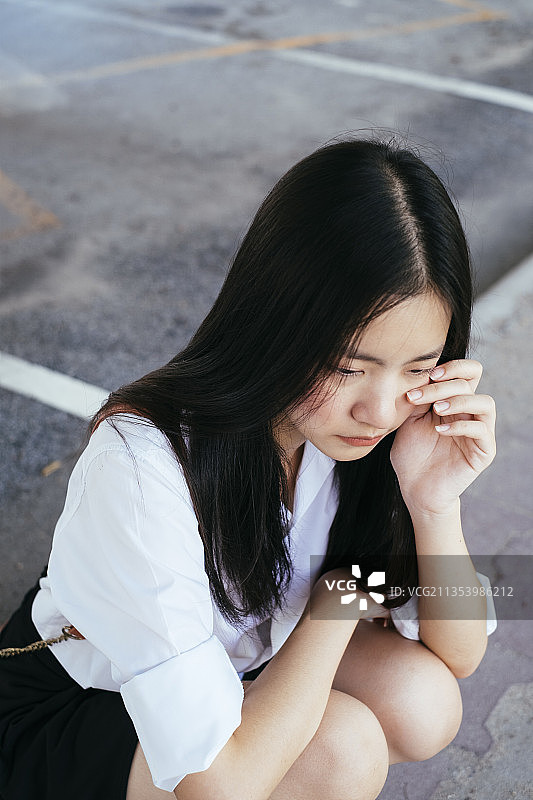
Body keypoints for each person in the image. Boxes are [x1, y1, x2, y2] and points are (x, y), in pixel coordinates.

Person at [0, 137, 497, 800]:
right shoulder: (145, 465)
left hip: (236, 667)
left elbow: (458, 655)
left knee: (423, 700)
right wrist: (331, 608)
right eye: (348, 366)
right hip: (79, 707)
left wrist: (435, 505)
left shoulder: (382, 437)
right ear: (277, 321)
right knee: (340, 751)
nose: (377, 409)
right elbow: (220, 785)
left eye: (416, 368)